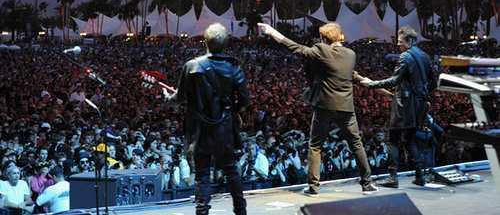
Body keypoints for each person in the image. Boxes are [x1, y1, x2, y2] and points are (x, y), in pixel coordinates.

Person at [258, 22, 378, 195]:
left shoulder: (322, 50)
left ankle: (313, 187)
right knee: (356, 143)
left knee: (315, 146)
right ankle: (367, 184)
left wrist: (271, 32)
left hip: (325, 106)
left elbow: (295, 47)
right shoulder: (351, 54)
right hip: (346, 106)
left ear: (323, 38)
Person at [166, 23, 249, 215]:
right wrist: (230, 110)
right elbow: (245, 100)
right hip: (225, 128)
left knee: (202, 174)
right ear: (226, 43)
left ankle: (202, 211)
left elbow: (178, 99)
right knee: (231, 170)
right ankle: (241, 210)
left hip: (200, 128)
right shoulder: (233, 66)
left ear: (205, 42)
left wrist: (166, 96)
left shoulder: (192, 66)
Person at [360, 26, 436, 187]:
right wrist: (422, 95)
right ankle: (419, 176)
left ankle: (393, 178)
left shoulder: (405, 57)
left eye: (400, 42)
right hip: (419, 104)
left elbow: (394, 80)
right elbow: (434, 82)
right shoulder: (425, 56)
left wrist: (371, 84)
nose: (398, 45)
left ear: (409, 41)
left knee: (393, 139)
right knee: (410, 140)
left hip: (404, 105)